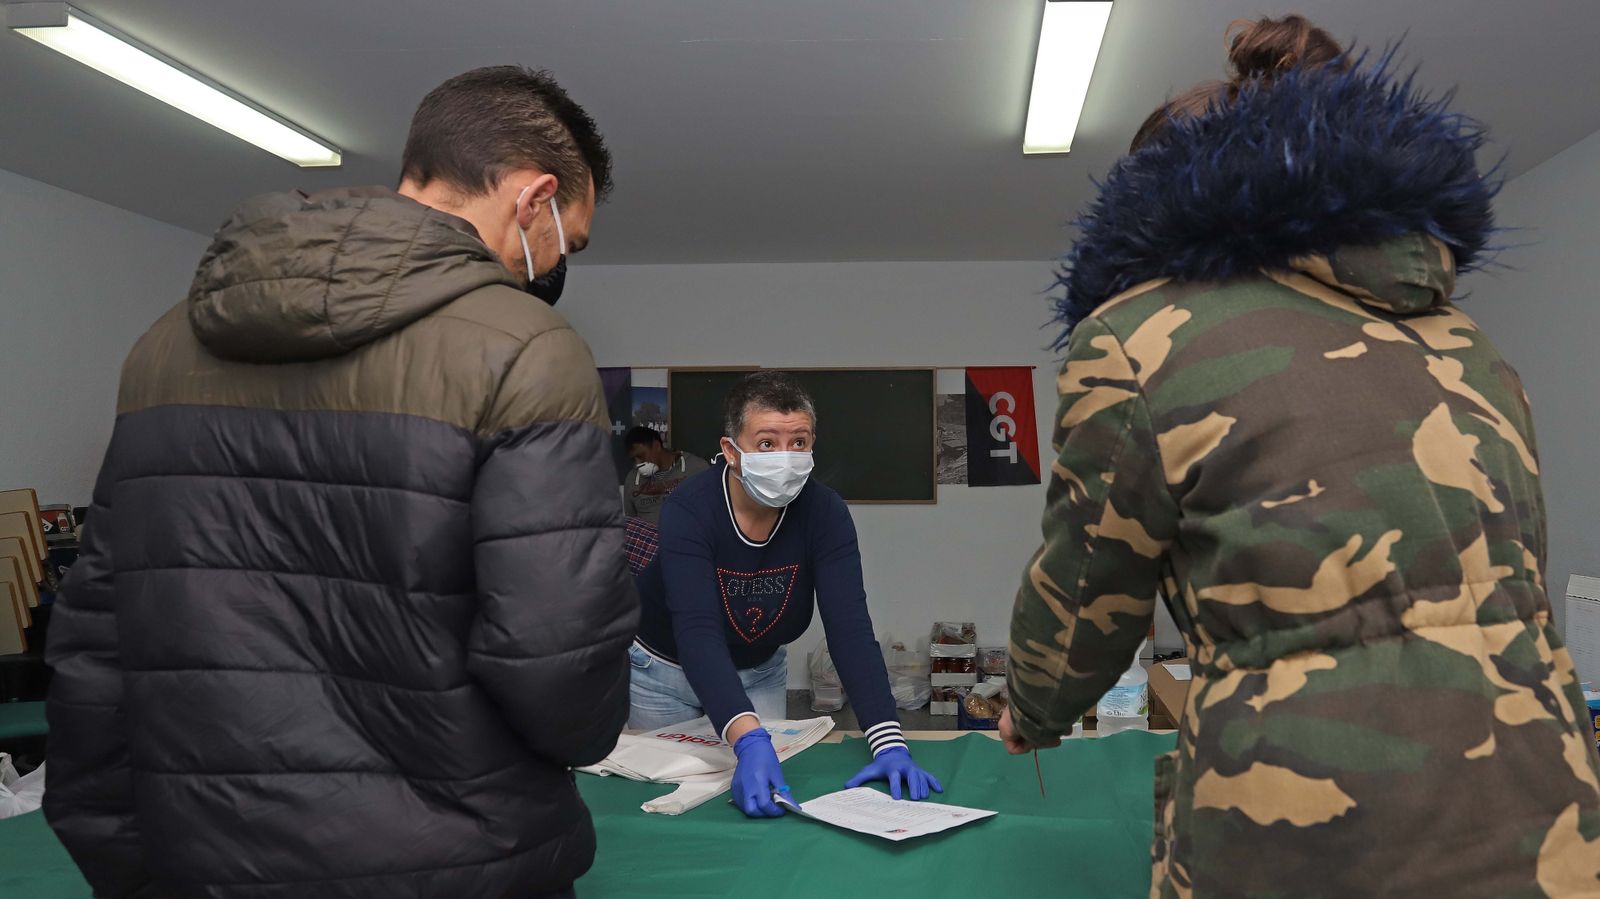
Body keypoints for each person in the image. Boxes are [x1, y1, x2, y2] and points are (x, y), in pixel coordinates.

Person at [1001, 15, 1600, 899]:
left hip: (1309, 822)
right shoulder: (1464, 339)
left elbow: (1091, 578)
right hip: (1542, 800)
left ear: (1148, 201)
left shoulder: (1139, 335)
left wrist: (1034, 705)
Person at [44, 66, 638, 898]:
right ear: (532, 198)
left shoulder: (163, 348)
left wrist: (119, 851)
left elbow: (95, 639)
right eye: (564, 242)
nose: (551, 268)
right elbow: (556, 660)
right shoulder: (524, 347)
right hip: (456, 856)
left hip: (204, 853)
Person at [629, 372, 941, 817]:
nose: (785, 457)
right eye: (767, 443)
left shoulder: (825, 512)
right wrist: (751, 739)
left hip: (758, 670)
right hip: (665, 672)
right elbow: (697, 631)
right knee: (672, 808)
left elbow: (849, 629)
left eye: (799, 442)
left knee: (766, 802)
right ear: (731, 451)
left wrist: (887, 739)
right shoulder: (689, 509)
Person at [623, 425, 710, 524]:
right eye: (633, 460)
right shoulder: (632, 480)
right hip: (649, 538)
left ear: (657, 446)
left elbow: (709, 512)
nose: (638, 463)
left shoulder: (696, 468)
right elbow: (632, 523)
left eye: (641, 456)